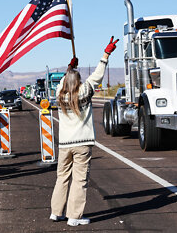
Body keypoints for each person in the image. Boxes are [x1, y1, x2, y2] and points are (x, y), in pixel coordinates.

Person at [50, 36, 118, 226]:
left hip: (64, 144)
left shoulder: (59, 94)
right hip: (82, 143)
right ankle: (74, 217)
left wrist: (69, 69)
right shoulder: (85, 90)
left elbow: (65, 81)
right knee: (80, 180)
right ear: (79, 81)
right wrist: (106, 54)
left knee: (61, 177)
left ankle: (56, 212)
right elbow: (98, 74)